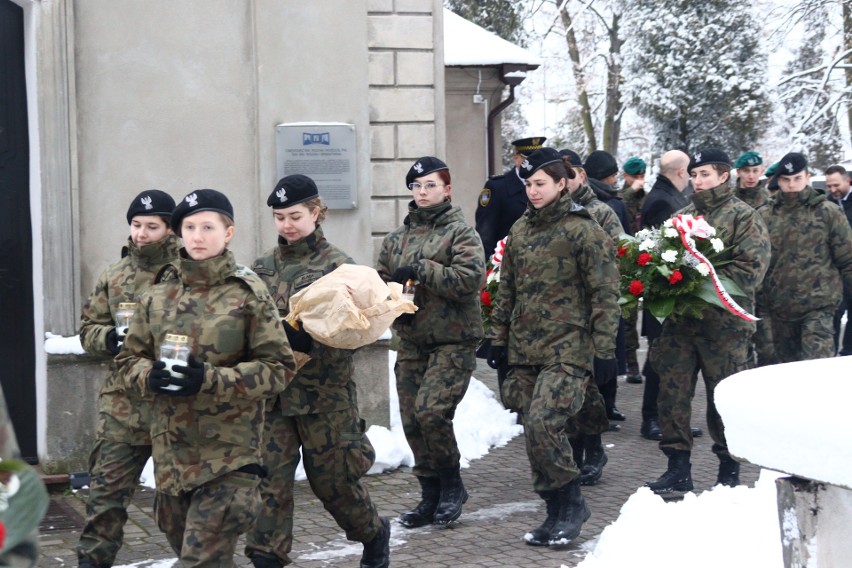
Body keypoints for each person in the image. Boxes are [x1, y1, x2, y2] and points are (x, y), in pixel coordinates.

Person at [116, 189, 296, 567]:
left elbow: (278, 368)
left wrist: (209, 379)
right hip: (172, 459)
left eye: (208, 227)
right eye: (190, 227)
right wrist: (150, 376)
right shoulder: (157, 295)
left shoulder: (247, 295)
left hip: (229, 458)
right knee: (199, 556)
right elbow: (128, 360)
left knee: (198, 562)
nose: (197, 236)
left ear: (228, 232)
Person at [245, 175, 389, 568]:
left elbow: (361, 330)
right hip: (275, 399)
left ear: (316, 213)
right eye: (279, 217)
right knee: (268, 484)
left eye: (295, 215)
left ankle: (374, 533)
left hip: (325, 398)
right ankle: (267, 557)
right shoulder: (261, 268)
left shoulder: (339, 267)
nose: (287, 225)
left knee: (335, 484)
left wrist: (313, 339)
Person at [488, 148, 620, 546]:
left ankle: (573, 504)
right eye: (527, 184)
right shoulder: (521, 230)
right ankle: (554, 510)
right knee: (534, 431)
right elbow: (506, 289)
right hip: (527, 348)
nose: (532, 191)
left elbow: (605, 292)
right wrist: (497, 340)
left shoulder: (583, 230)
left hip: (569, 347)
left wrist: (605, 350)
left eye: (540, 183)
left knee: (546, 422)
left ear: (563, 183)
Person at [646, 149, 770, 494]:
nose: (698, 181)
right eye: (694, 175)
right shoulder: (681, 217)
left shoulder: (743, 217)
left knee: (723, 399)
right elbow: (659, 262)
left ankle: (729, 470)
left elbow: (751, 271)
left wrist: (697, 278)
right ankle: (677, 468)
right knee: (672, 395)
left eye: (705, 175)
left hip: (725, 328)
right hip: (680, 326)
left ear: (723, 176)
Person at [377, 157, 485, 529]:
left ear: (447, 189)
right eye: (417, 187)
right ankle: (429, 494)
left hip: (452, 340)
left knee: (431, 412)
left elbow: (469, 280)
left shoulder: (461, 234)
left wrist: (423, 268)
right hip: (411, 341)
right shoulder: (395, 239)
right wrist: (392, 302)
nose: (423, 193)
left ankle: (452, 485)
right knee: (411, 420)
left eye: (430, 186)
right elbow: (382, 281)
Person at [77, 190, 180, 568]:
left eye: (151, 227)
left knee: (176, 510)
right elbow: (88, 329)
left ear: (170, 229)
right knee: (105, 501)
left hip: (176, 407)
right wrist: (110, 339)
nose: (141, 234)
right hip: (123, 407)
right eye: (136, 225)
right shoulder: (115, 275)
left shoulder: (186, 272)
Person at [559, 148, 621, 485]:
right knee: (566, 393)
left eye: (568, 176)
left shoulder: (600, 213)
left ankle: (593, 449)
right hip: (558, 321)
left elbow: (617, 263)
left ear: (580, 176)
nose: (563, 183)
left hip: (591, 317)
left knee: (589, 391)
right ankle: (573, 453)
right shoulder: (545, 214)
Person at [759, 153, 852, 363]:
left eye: (797, 178)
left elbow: (847, 259)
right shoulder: (765, 215)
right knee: (784, 372)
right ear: (778, 180)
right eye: (786, 180)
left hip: (818, 308)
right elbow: (757, 264)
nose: (792, 185)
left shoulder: (828, 212)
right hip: (778, 311)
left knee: (815, 369)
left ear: (807, 177)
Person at [637, 150, 692, 442]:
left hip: (673, 294)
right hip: (663, 295)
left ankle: (671, 419)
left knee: (672, 361)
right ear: (682, 171)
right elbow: (659, 249)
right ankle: (651, 419)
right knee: (659, 361)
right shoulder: (661, 200)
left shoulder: (669, 195)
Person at [475, 136, 546, 262]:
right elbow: (485, 234)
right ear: (516, 159)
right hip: (507, 264)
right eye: (528, 159)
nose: (534, 164)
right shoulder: (498, 188)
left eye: (538, 159)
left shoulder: (548, 186)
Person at [619, 156, 647, 385]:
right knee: (628, 317)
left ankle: (650, 363)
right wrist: (630, 192)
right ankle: (631, 364)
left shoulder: (647, 199)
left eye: (642, 177)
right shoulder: (621, 198)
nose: (639, 181)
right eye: (634, 177)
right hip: (627, 265)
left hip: (647, 263)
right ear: (625, 176)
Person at [824, 165, 852, 356]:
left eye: (836, 185)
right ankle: (830, 353)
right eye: (829, 186)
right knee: (834, 314)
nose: (833, 189)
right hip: (834, 271)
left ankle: (848, 353)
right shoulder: (827, 205)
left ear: (847, 181)